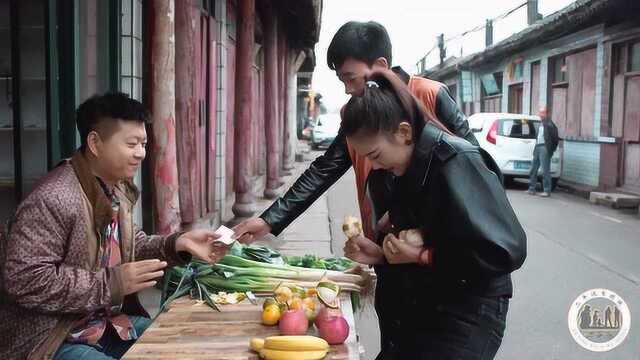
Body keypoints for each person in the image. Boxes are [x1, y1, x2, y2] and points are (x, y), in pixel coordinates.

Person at [0, 93, 230, 360]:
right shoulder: (54, 199)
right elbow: (24, 281)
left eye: (143, 143)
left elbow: (130, 246)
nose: (141, 153)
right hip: (53, 339)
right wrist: (113, 283)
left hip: (107, 326)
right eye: (131, 144)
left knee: (190, 345)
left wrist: (177, 244)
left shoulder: (116, 189)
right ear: (95, 143)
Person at [233, 20, 478, 244]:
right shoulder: (355, 113)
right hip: (384, 244)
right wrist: (270, 220)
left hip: (437, 245)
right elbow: (325, 168)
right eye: (342, 81)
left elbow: (476, 170)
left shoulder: (430, 95)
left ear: (381, 65)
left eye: (352, 78)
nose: (348, 90)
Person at [340, 70, 526, 359]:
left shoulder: (455, 160)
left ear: (403, 132)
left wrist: (420, 256)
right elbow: (422, 236)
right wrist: (382, 254)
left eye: (375, 155)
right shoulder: (404, 168)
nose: (374, 167)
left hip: (470, 309)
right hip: (427, 300)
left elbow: (502, 253)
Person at [527, 107, 559, 197]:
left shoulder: (550, 124)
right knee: (533, 168)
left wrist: (550, 150)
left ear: (547, 114)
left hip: (545, 147)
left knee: (545, 170)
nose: (540, 114)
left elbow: (555, 139)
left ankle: (547, 190)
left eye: (543, 113)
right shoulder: (541, 123)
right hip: (538, 146)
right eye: (540, 112)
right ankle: (531, 188)